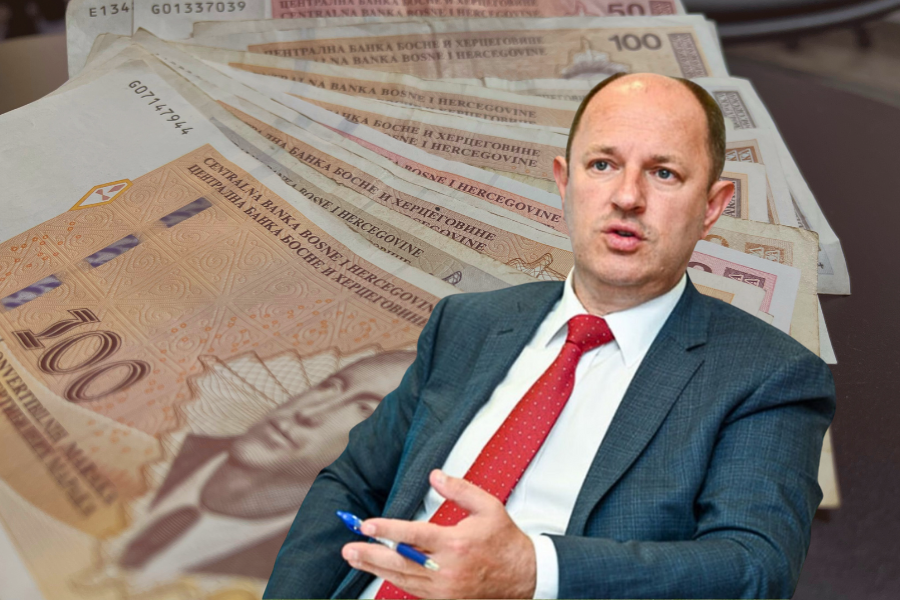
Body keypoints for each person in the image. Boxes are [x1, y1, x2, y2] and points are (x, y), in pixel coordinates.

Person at [264, 73, 836, 599]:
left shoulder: (767, 375)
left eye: (664, 173)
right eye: (603, 164)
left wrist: (534, 571)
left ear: (711, 206)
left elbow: (754, 569)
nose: (627, 196)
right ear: (565, 182)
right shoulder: (468, 323)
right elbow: (353, 483)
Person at [114, 351, 415, 584]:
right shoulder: (139, 440)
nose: (308, 412)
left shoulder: (317, 565)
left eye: (363, 409)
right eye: (331, 386)